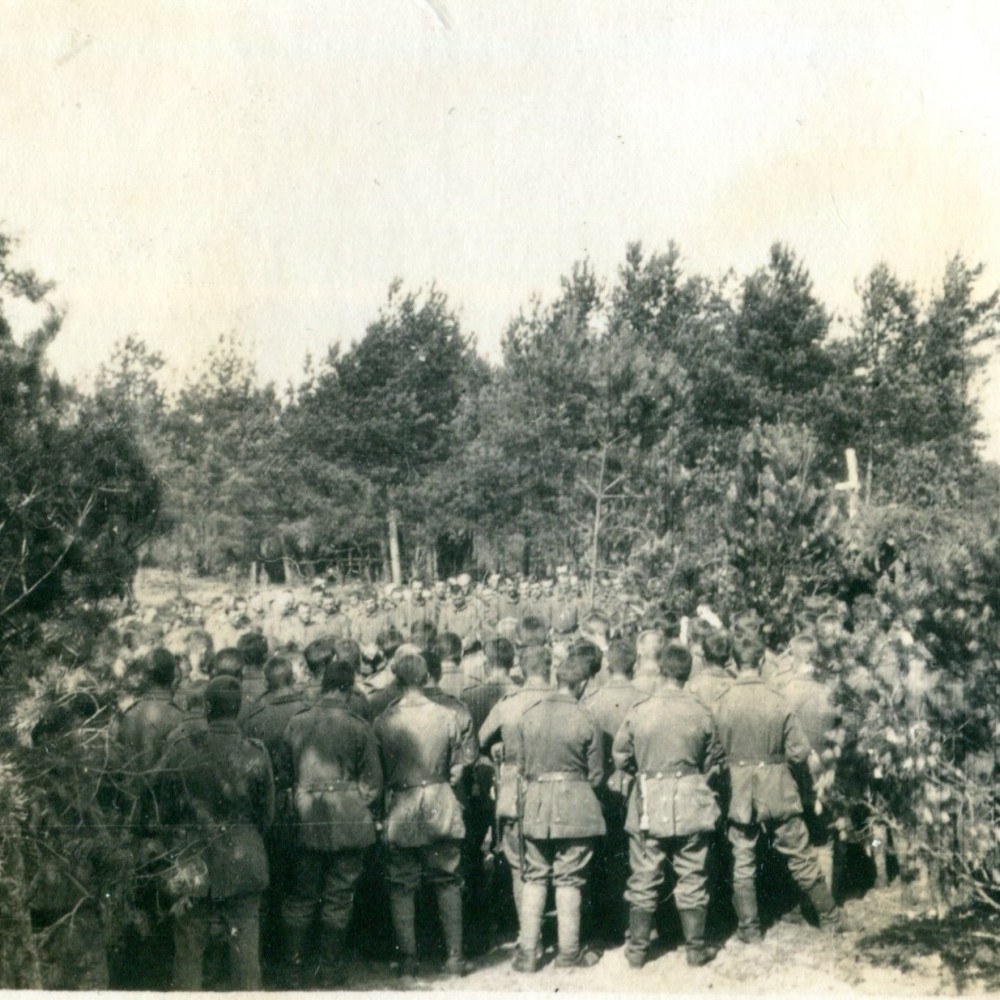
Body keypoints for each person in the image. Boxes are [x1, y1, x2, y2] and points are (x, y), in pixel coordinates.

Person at [712, 632, 847, 942]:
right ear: (761, 661)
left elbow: (714, 751)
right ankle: (830, 917)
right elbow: (799, 751)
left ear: (734, 660)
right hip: (778, 786)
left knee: (742, 858)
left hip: (739, 789)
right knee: (800, 853)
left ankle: (750, 930)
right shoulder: (778, 699)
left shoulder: (721, 702)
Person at [154, 676, 275, 990]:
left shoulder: (181, 749)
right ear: (237, 710)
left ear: (206, 707)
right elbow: (267, 815)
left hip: (193, 860)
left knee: (188, 952)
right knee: (246, 951)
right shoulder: (255, 751)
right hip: (244, 858)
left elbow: (163, 810)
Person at [613, 644, 724, 968]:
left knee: (644, 875)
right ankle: (695, 948)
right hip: (691, 797)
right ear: (688, 673)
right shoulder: (701, 711)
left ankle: (636, 951)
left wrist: (647, 772)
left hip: (649, 798)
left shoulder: (640, 709)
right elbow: (712, 758)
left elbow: (621, 756)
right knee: (693, 873)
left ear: (661, 672)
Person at [279, 657, 383, 986]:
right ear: (350, 687)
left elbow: (284, 773)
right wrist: (352, 803)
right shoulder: (358, 725)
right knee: (339, 895)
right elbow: (373, 783)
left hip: (307, 816)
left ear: (323, 684)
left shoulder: (297, 722)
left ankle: (294, 968)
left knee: (302, 894)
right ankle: (330, 969)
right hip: (348, 820)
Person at [508, 646, 606, 972]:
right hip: (576, 804)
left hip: (535, 805)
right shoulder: (587, 717)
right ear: (582, 684)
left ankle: (526, 954)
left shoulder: (530, 714)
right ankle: (568, 954)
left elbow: (520, 767)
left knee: (535, 876)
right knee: (570, 878)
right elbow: (596, 775)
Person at [374, 653, 469, 978]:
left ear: (397, 679)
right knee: (447, 881)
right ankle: (455, 958)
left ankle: (408, 961)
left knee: (402, 885)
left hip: (402, 804)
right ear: (427, 676)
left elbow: (380, 772)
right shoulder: (446, 715)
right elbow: (458, 768)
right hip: (440, 801)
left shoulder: (385, 720)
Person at [477, 645, 552, 930]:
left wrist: (500, 750)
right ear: (550, 668)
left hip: (516, 792)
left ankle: (528, 932)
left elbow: (479, 743)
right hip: (557, 792)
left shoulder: (508, 703)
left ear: (521, 669)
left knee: (520, 865)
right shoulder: (567, 700)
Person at [581, 637, 645, 943]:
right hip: (638, 785)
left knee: (605, 855)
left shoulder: (590, 701)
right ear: (634, 665)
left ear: (607, 666)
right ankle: (640, 920)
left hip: (603, 785)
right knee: (640, 852)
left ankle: (606, 924)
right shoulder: (646, 699)